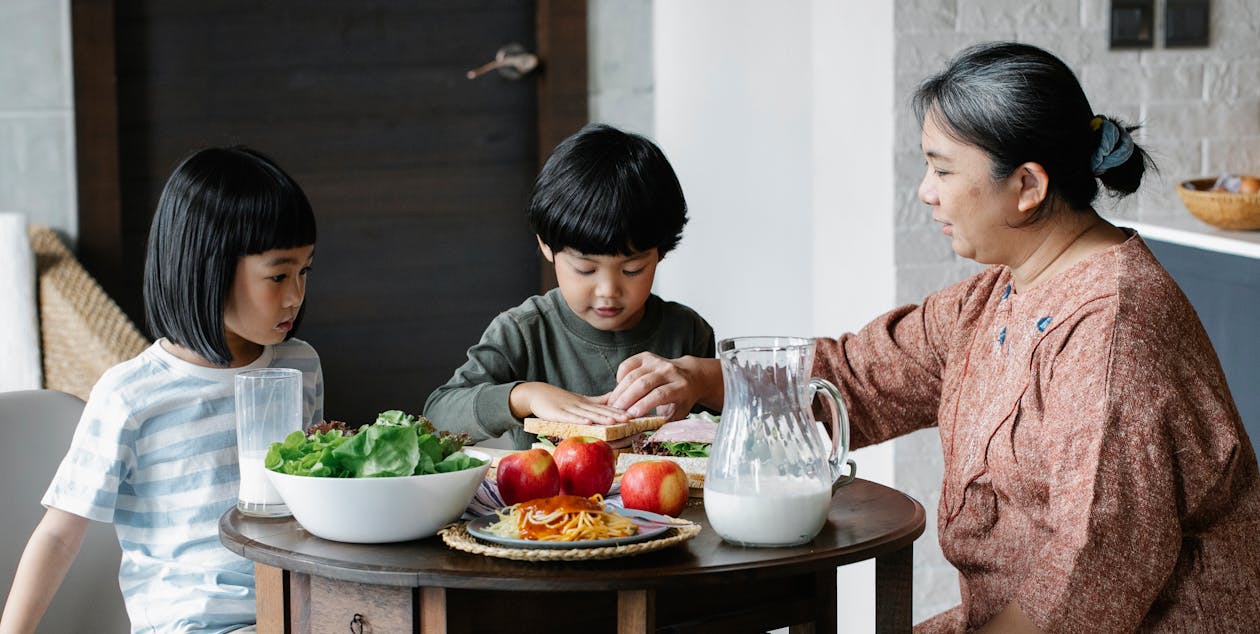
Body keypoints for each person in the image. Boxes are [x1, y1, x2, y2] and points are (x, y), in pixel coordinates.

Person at [607, 42, 1260, 632]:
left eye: (943, 170)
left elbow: (1087, 579)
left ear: (1027, 186)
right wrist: (705, 379)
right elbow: (861, 375)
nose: (926, 193)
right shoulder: (998, 294)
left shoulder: (1112, 329)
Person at [0, 147, 323, 634]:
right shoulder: (133, 395)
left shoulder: (301, 366)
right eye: (278, 275)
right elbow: (60, 536)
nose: (295, 294)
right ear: (207, 267)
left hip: (297, 610)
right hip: (193, 624)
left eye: (305, 271)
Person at [424, 123, 715, 449]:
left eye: (632, 269)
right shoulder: (524, 332)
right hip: (550, 500)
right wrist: (525, 395)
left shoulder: (686, 332)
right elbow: (437, 415)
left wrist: (702, 378)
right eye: (585, 268)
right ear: (547, 246)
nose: (607, 289)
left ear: (661, 252)